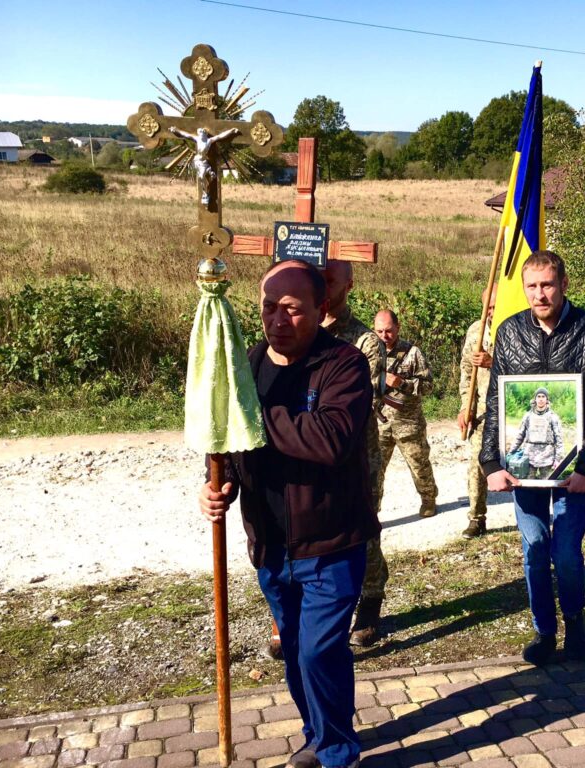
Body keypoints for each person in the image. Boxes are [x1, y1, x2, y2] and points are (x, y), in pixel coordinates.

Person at [198, 261, 376, 768]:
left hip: (332, 542)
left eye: (292, 309)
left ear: (322, 311)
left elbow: (330, 439)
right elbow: (230, 445)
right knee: (296, 654)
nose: (278, 319)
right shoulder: (248, 365)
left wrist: (251, 414)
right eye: (269, 307)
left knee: (320, 652)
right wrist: (220, 483)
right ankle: (318, 735)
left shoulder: (342, 365)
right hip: (271, 544)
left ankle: (338, 753)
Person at [480, 250, 585, 666]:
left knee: (566, 552)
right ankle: (544, 631)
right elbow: (497, 402)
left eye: (547, 285)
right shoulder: (509, 332)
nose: (540, 294)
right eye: (532, 286)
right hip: (524, 473)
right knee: (535, 547)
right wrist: (491, 463)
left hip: (572, 469)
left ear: (564, 284)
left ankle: (575, 621)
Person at [321, 260, 389, 647]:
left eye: (330, 281)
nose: (324, 288)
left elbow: (363, 399)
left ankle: (371, 599)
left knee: (362, 530)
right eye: (319, 280)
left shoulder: (365, 341)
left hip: (358, 456)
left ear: (348, 285)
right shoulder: (301, 331)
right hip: (312, 454)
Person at [373, 309, 439, 519]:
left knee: (419, 466)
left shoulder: (412, 353)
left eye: (389, 331)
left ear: (398, 328)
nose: (384, 336)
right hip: (378, 423)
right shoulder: (370, 354)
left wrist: (402, 383)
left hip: (408, 423)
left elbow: (429, 386)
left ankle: (428, 500)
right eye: (380, 331)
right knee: (374, 472)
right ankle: (372, 512)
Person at [457, 287, 496, 538]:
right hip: (484, 409)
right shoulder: (476, 331)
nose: (491, 312)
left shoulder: (519, 327)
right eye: (487, 308)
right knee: (476, 464)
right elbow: (466, 373)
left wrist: (494, 361)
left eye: (494, 307)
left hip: (515, 407)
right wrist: (465, 407)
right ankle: (476, 517)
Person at [508, 387, 564, 480]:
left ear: (547, 399)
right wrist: (511, 452)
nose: (541, 399)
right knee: (528, 486)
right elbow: (520, 435)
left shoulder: (553, 417)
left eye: (543, 396)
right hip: (529, 457)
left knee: (546, 486)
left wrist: (558, 459)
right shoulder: (528, 416)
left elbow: (559, 439)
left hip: (547, 457)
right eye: (538, 396)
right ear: (535, 399)